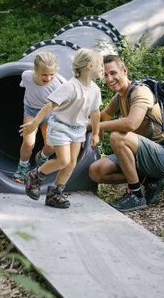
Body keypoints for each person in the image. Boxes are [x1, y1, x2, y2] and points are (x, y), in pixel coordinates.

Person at [88, 55, 164, 211]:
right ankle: (150, 181)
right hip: (140, 155)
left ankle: (135, 195)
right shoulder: (119, 97)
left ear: (124, 70)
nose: (109, 79)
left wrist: (99, 127)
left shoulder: (140, 91)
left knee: (117, 136)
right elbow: (100, 118)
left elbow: (131, 123)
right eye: (105, 75)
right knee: (96, 171)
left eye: (113, 73)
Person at [19, 48, 103, 208]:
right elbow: (50, 104)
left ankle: (54, 193)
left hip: (78, 129)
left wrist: (96, 133)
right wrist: (35, 123)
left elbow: (95, 113)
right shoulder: (71, 86)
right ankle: (34, 175)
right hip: (60, 126)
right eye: (100, 66)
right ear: (89, 66)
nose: (102, 70)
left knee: (71, 164)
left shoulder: (95, 90)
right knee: (63, 160)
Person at [13, 51, 62, 184]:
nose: (48, 78)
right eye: (44, 74)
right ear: (35, 70)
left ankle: (42, 157)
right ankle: (22, 167)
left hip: (48, 114)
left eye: (52, 74)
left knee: (51, 147)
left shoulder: (56, 85)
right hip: (30, 111)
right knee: (29, 142)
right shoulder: (27, 76)